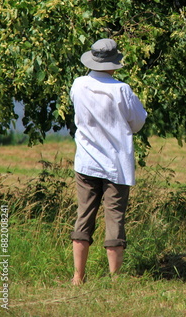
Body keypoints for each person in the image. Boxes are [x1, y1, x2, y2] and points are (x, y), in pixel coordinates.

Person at [70, 38, 147, 285]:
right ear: (114, 63)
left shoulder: (78, 84)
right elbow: (137, 123)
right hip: (116, 164)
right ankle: (114, 280)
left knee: (84, 216)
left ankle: (78, 276)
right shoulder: (122, 89)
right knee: (115, 218)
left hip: (86, 161)